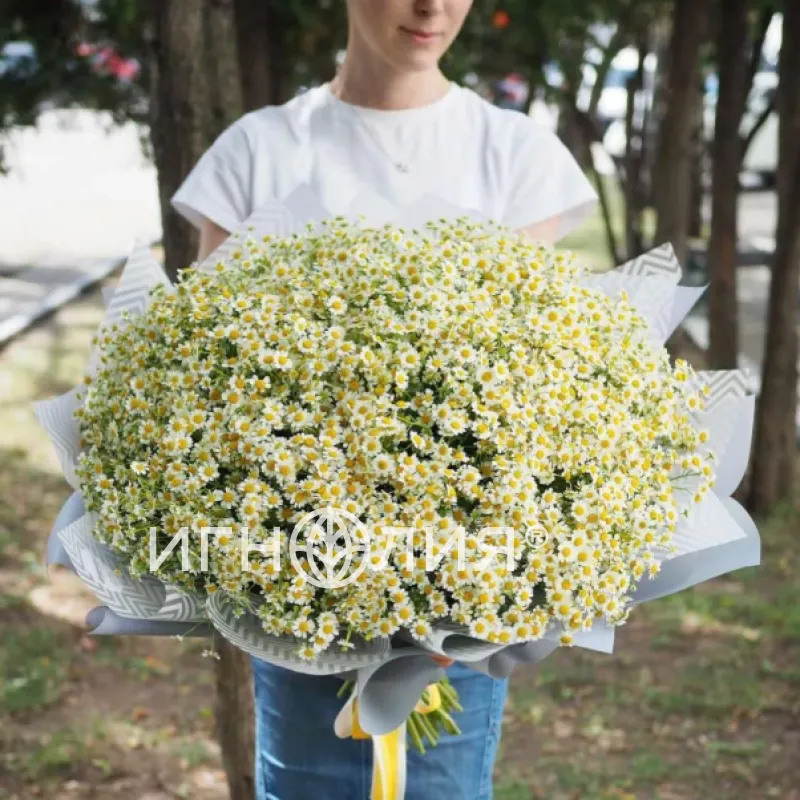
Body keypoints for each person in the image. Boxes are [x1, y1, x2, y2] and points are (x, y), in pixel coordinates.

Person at [171, 2, 598, 797]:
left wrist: (455, 590)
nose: (433, 7)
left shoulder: (514, 153)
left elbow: (538, 388)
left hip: (459, 619)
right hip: (298, 605)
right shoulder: (259, 152)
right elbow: (202, 390)